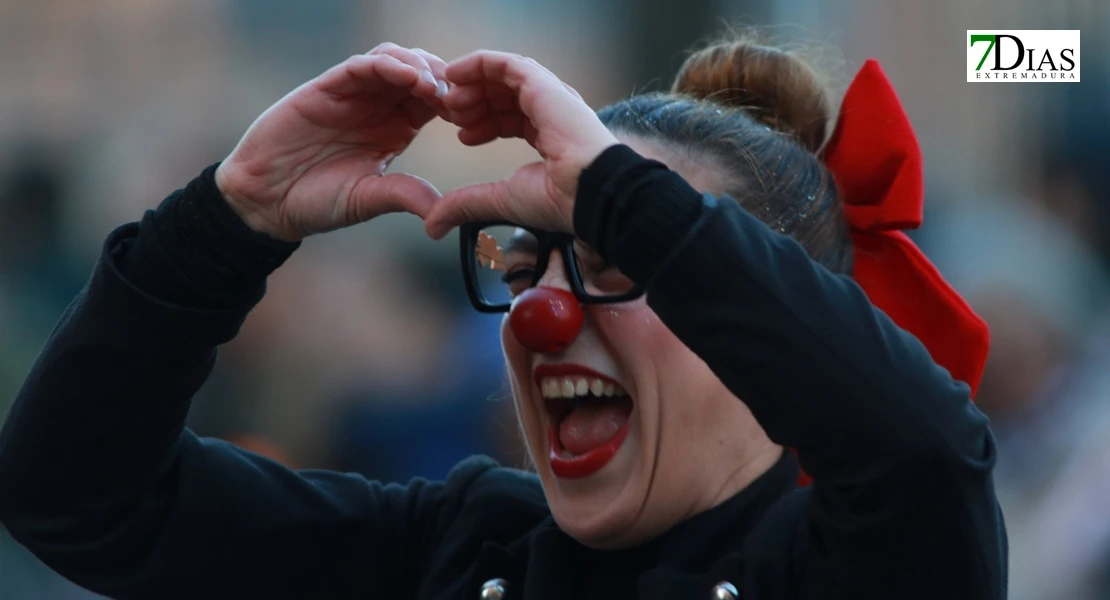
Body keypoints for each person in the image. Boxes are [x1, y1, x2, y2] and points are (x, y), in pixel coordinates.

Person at [0, 40, 1006, 599]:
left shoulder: (856, 570)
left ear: (767, 326)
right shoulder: (459, 546)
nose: (541, 315)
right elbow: (75, 491)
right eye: (527, 265)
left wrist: (621, 190)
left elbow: (926, 457)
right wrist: (232, 216)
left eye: (623, 263)